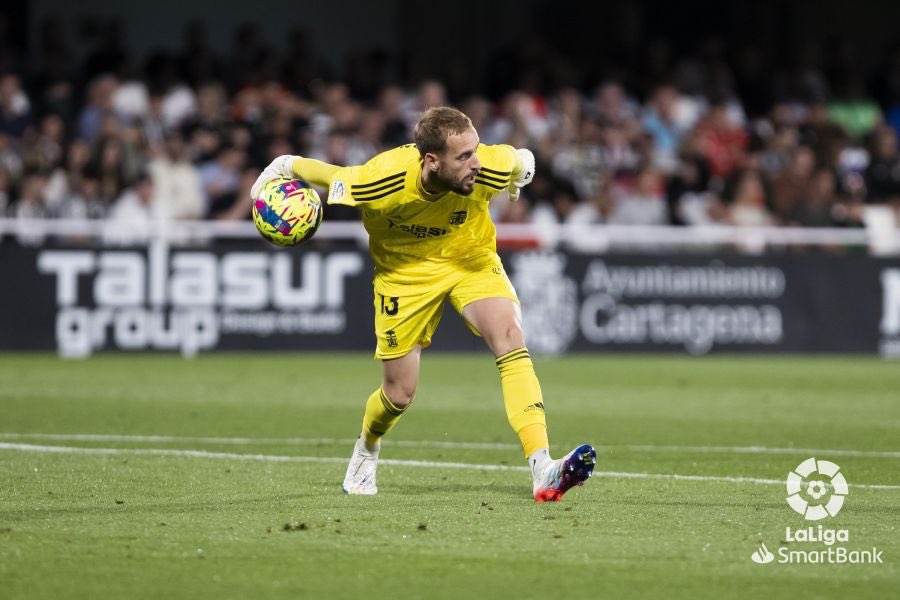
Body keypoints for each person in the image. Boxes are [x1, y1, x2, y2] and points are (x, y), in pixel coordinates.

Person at [251, 106, 596, 502]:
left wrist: (523, 169)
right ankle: (367, 447)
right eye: (463, 156)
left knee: (510, 337)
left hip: (470, 258)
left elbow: (521, 160)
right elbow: (332, 175)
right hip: (405, 274)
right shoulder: (380, 180)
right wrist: (282, 166)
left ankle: (542, 467)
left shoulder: (489, 166)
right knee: (399, 394)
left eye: (475, 150)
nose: (475, 162)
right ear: (432, 161)